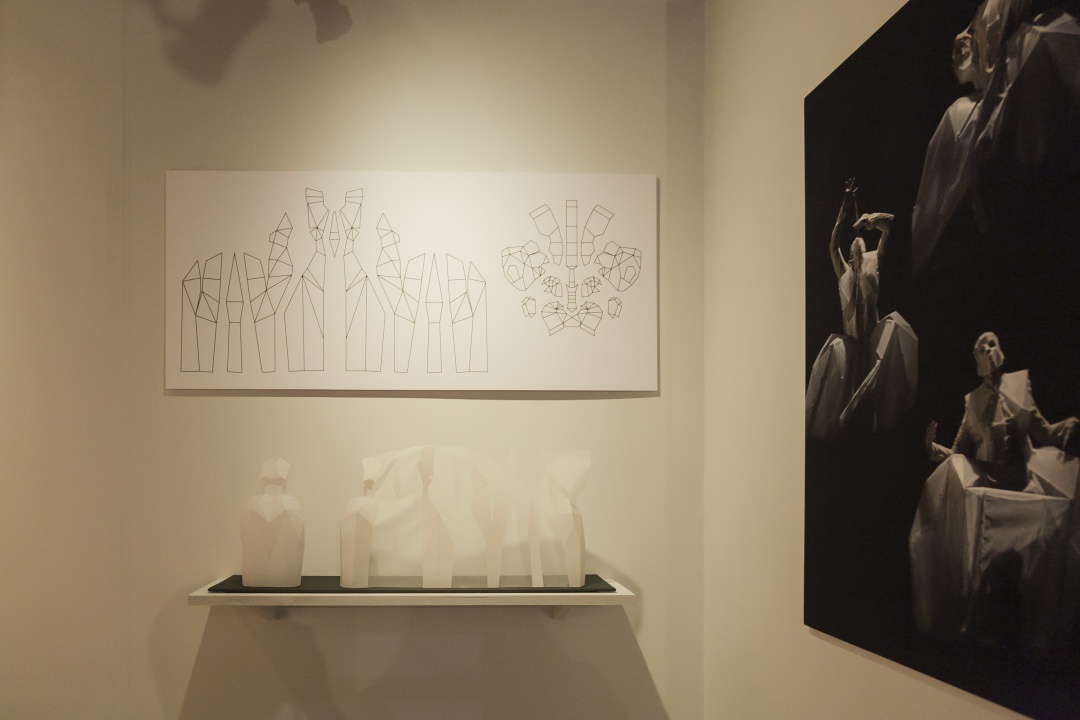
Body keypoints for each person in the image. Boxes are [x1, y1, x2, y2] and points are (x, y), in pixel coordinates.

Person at [911, 332, 1080, 648]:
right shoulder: (974, 401)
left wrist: (1067, 425)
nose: (988, 349)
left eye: (992, 343)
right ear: (977, 360)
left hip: (1022, 487)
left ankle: (1032, 626)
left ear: (1001, 351)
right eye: (981, 346)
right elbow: (959, 451)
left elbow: (1044, 432)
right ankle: (980, 626)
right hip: (988, 488)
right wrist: (935, 449)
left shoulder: (1018, 388)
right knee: (983, 553)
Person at [806, 180, 917, 439]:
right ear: (850, 254)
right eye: (854, 246)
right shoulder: (844, 273)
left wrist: (872, 220)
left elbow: (890, 227)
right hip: (851, 347)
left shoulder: (872, 264)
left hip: (871, 343)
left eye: (862, 245)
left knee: (869, 405)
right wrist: (843, 211)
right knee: (846, 408)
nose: (858, 244)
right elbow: (832, 245)